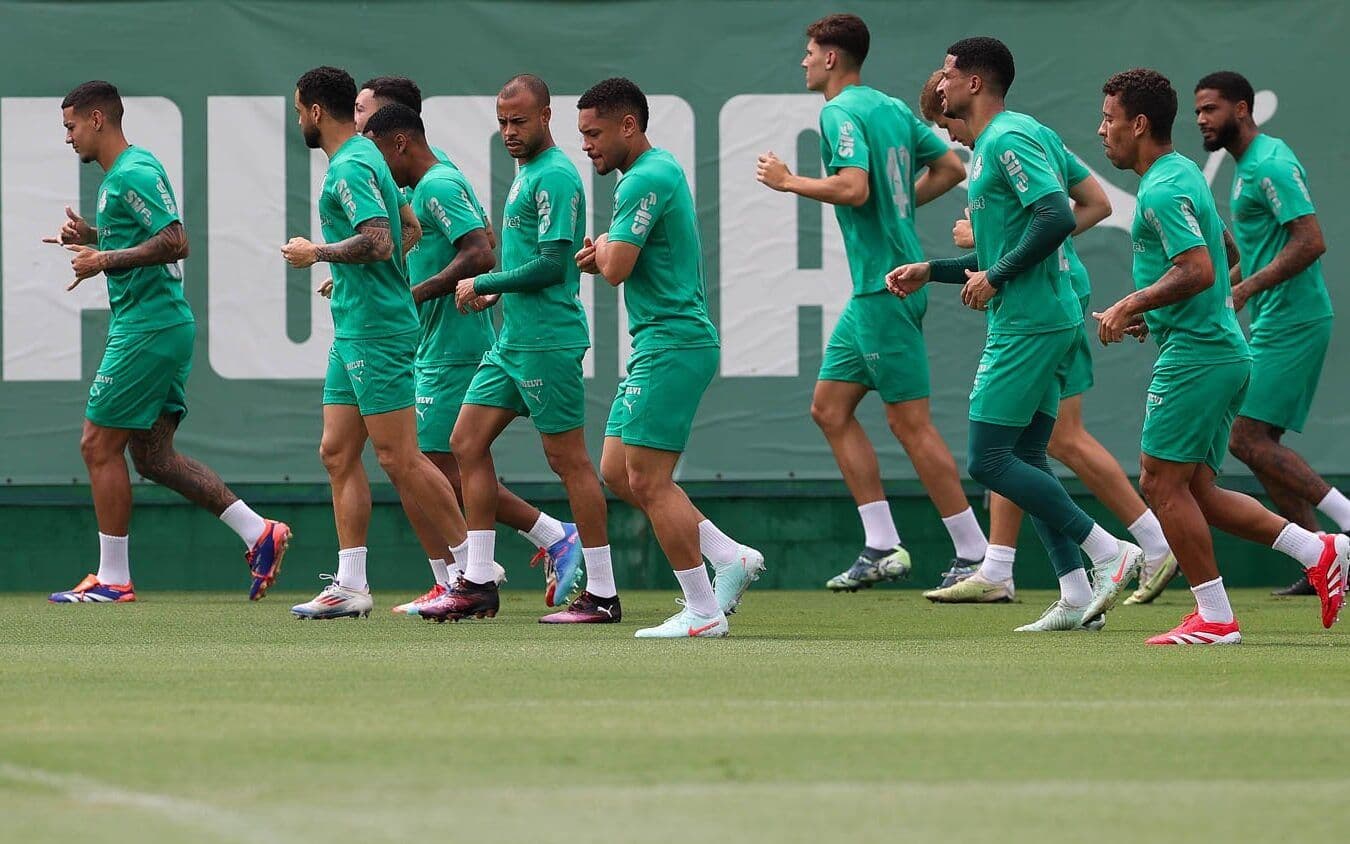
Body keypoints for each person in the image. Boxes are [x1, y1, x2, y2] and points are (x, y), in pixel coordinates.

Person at [889, 38, 1144, 632]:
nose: (941, 81)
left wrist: (999, 273)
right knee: (1028, 456)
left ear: (974, 83)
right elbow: (1079, 209)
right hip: (1040, 312)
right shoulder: (1017, 136)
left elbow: (1057, 214)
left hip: (1030, 322)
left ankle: (1110, 551)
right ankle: (1076, 594)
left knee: (988, 458)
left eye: (949, 73)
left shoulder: (1007, 138)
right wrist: (936, 269)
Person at [1095, 67, 1348, 644]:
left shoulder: (1162, 186)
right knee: (1195, 491)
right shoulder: (1180, 171)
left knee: (1159, 483)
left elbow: (1200, 267)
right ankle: (1322, 548)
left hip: (1199, 355)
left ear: (1138, 124)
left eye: (1108, 119)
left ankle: (1215, 617)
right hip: (1218, 348)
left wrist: (1132, 301)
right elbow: (1224, 247)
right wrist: (1156, 312)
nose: (1101, 130)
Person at [755, 14, 985, 593]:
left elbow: (855, 188)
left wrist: (789, 182)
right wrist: (899, 202)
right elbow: (950, 167)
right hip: (871, 293)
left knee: (911, 424)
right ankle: (881, 544)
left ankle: (975, 552)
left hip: (888, 288)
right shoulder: (889, 107)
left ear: (833, 58)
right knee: (829, 408)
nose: (803, 61)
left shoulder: (838, 112)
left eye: (809, 52)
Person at [46, 80, 290, 605]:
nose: (67, 139)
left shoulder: (132, 171)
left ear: (96, 119)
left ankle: (114, 579)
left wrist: (103, 260)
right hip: (157, 325)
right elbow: (144, 233)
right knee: (154, 458)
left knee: (96, 444)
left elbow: (176, 239)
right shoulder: (120, 176)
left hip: (148, 328)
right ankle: (258, 532)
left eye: (70, 127)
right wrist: (92, 235)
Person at [280, 66, 471, 620]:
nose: (298, 121)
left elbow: (381, 239)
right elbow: (408, 228)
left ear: (316, 112)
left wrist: (319, 253)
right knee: (337, 451)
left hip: (377, 330)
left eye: (299, 111)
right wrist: (351, 277)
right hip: (356, 323)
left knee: (400, 456)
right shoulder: (366, 160)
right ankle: (352, 584)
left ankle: (471, 569)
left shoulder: (349, 166)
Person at [425, 74, 617, 624]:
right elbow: (530, 262)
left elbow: (554, 265)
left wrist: (486, 284)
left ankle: (602, 591)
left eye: (520, 121)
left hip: (549, 340)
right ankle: (479, 580)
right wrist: (499, 293)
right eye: (503, 122)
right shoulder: (526, 172)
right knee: (465, 442)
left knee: (568, 460)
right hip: (514, 341)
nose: (510, 131)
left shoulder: (555, 175)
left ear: (547, 117)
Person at [576, 77, 763, 637]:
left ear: (628, 125)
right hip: (658, 343)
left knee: (650, 480)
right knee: (616, 469)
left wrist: (605, 250)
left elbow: (616, 267)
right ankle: (730, 557)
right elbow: (618, 257)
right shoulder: (644, 176)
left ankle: (703, 611)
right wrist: (607, 250)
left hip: (673, 343)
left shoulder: (647, 177)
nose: (586, 145)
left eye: (594, 133)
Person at [1193, 70, 1349, 597]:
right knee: (1258, 441)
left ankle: (1341, 525)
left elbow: (1311, 241)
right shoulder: (1246, 168)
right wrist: (1221, 293)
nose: (1201, 121)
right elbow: (1261, 256)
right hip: (1272, 319)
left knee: (1245, 437)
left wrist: (1243, 291)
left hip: (1295, 321)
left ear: (1241, 109)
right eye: (1196, 112)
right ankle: (1318, 556)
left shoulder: (1272, 164)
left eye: (1210, 109)